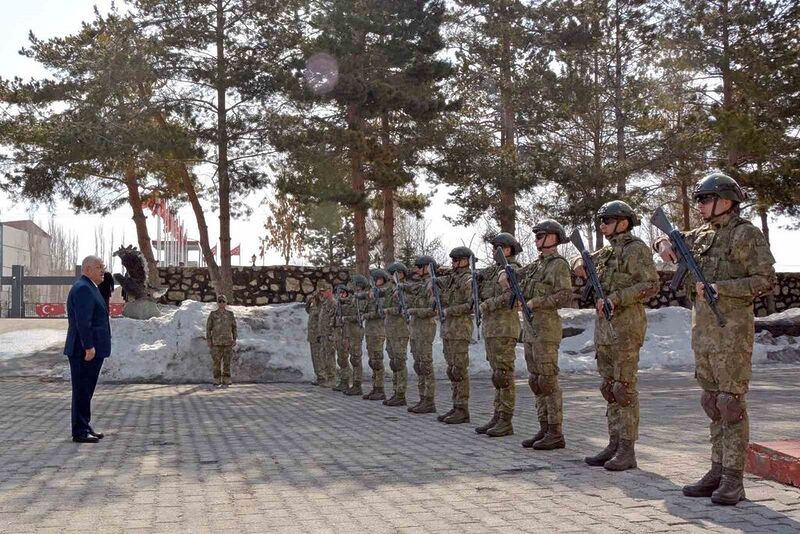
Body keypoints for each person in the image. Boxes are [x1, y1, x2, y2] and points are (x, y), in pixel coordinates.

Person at [654, 173, 775, 505]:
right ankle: (717, 469)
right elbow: (665, 241)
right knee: (711, 402)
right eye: (699, 200)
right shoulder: (704, 235)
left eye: (705, 200)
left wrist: (722, 289)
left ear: (725, 200)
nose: (700, 206)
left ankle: (734, 479)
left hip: (732, 332)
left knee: (730, 404)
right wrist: (662, 245)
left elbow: (765, 280)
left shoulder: (745, 234)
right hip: (704, 334)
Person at [573, 200, 659, 471]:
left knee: (623, 389)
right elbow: (579, 261)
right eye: (602, 221)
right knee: (609, 388)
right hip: (605, 330)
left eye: (607, 220)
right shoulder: (606, 253)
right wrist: (578, 263)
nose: (602, 226)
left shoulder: (636, 250)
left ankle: (627, 448)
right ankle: (613, 443)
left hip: (626, 327)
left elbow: (651, 284)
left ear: (623, 222)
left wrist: (617, 298)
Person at [519, 220, 573, 450]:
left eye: (541, 235)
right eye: (537, 235)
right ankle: (543, 427)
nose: (537, 239)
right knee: (536, 381)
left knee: (548, 381)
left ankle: (555, 431)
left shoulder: (558, 264)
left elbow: (565, 295)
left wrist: (538, 302)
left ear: (554, 237)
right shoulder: (535, 266)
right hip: (532, 330)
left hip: (547, 329)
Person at [476, 233, 523, 437]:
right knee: (497, 375)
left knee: (504, 375)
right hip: (492, 329)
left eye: (497, 248)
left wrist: (487, 304)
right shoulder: (494, 271)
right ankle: (497, 415)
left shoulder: (514, 269)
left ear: (507, 250)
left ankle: (506, 419)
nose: (493, 252)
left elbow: (511, 295)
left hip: (504, 328)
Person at [64, 255, 112, 443]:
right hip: (83, 350)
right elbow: (83, 321)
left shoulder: (91, 287)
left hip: (89, 348)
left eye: (104, 267)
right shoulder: (83, 288)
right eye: (99, 267)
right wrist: (89, 347)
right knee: (82, 390)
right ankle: (80, 431)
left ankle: (84, 425)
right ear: (87, 269)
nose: (103, 270)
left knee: (86, 390)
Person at [437, 246, 475, 424]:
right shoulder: (451, 280)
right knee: (452, 370)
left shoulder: (468, 279)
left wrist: (449, 311)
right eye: (453, 260)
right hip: (448, 329)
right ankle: (456, 405)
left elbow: (470, 305)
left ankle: (463, 409)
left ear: (467, 260)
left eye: (457, 260)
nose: (454, 263)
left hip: (459, 330)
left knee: (459, 369)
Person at [406, 256, 438, 414]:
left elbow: (433, 309)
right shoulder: (421, 285)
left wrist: (414, 311)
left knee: (425, 365)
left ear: (428, 267)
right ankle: (422, 398)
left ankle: (429, 400)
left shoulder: (432, 284)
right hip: (416, 328)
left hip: (425, 328)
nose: (417, 270)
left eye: (420, 267)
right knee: (418, 365)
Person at [383, 262, 411, 406]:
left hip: (400, 330)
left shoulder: (405, 288)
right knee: (394, 362)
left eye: (394, 274)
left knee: (400, 362)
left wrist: (387, 310)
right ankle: (395, 391)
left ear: (401, 274)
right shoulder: (392, 289)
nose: (392, 277)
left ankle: (401, 393)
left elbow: (403, 308)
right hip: (390, 330)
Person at [361, 269, 389, 401]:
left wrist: (366, 315)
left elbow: (380, 313)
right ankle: (375, 387)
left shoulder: (383, 293)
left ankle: (380, 389)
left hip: (378, 331)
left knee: (377, 360)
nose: (374, 281)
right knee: (372, 360)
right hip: (370, 331)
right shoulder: (373, 292)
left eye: (376, 279)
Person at [342, 275, 369, 396]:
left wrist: (347, 318)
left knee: (356, 358)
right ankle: (354, 384)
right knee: (353, 358)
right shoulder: (354, 298)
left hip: (357, 330)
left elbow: (360, 315)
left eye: (354, 284)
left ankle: (357, 384)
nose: (352, 286)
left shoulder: (362, 298)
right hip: (350, 330)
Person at [206, 295, 238, 388]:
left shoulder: (230, 314)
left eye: (223, 301)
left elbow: (234, 327)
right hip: (216, 342)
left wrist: (234, 338)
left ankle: (226, 379)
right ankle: (217, 379)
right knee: (216, 361)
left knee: (227, 361)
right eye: (219, 301)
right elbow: (208, 328)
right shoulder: (213, 314)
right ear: (217, 303)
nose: (221, 303)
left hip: (228, 341)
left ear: (226, 302)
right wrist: (209, 340)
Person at [331, 284, 352, 392]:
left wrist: (347, 338)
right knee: (340, 359)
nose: (341, 295)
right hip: (338, 334)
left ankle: (346, 381)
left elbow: (348, 323)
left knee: (344, 358)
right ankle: (343, 381)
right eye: (339, 293)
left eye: (343, 293)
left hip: (345, 334)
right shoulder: (338, 305)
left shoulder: (348, 304)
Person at [316, 282, 338, 388]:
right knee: (323, 357)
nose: (322, 293)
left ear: (329, 291)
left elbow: (335, 321)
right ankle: (327, 378)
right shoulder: (325, 304)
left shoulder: (333, 303)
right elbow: (322, 321)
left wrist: (332, 334)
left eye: (324, 291)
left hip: (329, 335)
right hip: (323, 335)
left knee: (330, 357)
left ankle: (332, 379)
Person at [305, 291, 324, 385]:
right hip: (312, 336)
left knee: (319, 357)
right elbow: (307, 310)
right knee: (315, 358)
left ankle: (322, 376)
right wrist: (308, 302)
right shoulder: (313, 307)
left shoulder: (321, 308)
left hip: (317, 336)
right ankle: (319, 376)